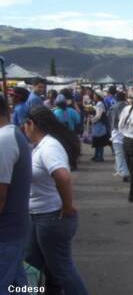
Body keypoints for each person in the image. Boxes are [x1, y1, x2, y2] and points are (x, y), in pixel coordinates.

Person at [23, 105, 88, 295]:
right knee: (31, 263)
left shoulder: (49, 147)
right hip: (37, 216)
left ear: (31, 124)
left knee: (61, 268)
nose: (24, 130)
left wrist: (67, 207)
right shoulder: (40, 146)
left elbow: (63, 176)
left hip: (50, 217)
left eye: (24, 126)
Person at [0, 93, 31, 293]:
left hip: (6, 233)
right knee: (18, 285)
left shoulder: (3, 140)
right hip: (16, 228)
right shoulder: (14, 135)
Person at [108, 91, 129, 182]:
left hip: (116, 133)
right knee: (127, 154)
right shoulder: (128, 107)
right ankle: (126, 172)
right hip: (127, 132)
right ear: (124, 98)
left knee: (119, 154)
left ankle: (124, 172)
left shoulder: (112, 108)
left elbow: (109, 120)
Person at [90, 90, 110, 162]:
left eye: (95, 95)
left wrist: (92, 120)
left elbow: (98, 116)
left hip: (99, 125)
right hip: (99, 124)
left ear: (98, 96)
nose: (94, 96)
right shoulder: (100, 103)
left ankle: (99, 156)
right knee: (98, 141)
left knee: (99, 141)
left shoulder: (99, 104)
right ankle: (97, 155)